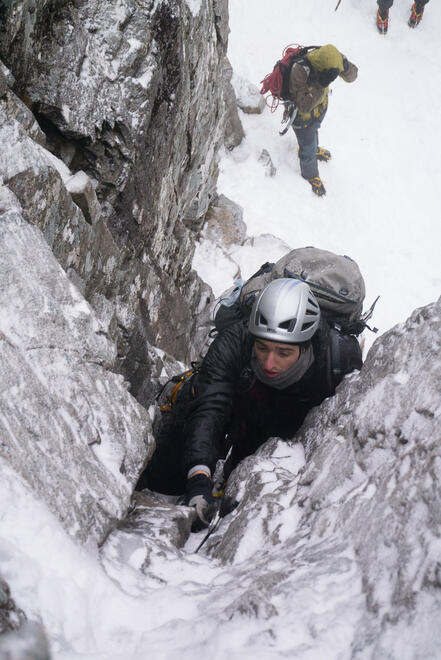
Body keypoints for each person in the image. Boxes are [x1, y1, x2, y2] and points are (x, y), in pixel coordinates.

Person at [137, 278, 363, 531]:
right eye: (262, 348)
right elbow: (209, 408)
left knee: (248, 470)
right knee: (171, 460)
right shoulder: (235, 341)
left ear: (306, 344)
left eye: (283, 353)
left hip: (285, 419)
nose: (269, 363)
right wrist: (198, 477)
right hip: (240, 403)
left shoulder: (337, 360)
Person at [287, 45, 358, 197]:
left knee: (314, 131)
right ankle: (310, 174)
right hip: (302, 119)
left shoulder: (332, 57)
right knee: (307, 146)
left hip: (319, 110)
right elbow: (303, 107)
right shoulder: (299, 71)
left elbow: (352, 77)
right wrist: (321, 85)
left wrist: (345, 66)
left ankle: (313, 148)